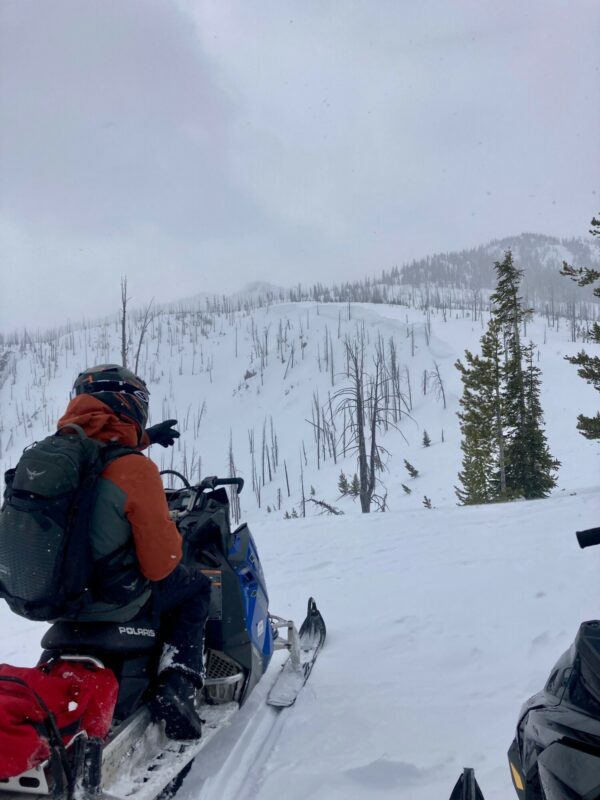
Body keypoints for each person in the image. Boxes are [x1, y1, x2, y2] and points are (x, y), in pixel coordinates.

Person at [57, 363, 210, 740]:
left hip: (61, 598)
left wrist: (142, 438)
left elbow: (100, 454)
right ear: (129, 402)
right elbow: (161, 566)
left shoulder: (57, 457)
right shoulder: (135, 471)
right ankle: (178, 684)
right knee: (194, 588)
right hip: (114, 599)